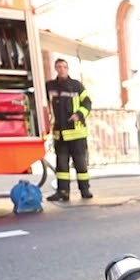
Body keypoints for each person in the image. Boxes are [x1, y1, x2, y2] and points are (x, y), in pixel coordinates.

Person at [45, 58, 93, 201]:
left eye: (64, 67)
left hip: (76, 133)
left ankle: (85, 190)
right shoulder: (50, 86)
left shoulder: (76, 86)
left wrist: (79, 114)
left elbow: (87, 103)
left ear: (67, 69)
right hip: (60, 134)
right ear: (56, 69)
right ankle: (63, 192)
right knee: (61, 166)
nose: (62, 69)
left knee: (80, 164)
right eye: (59, 67)